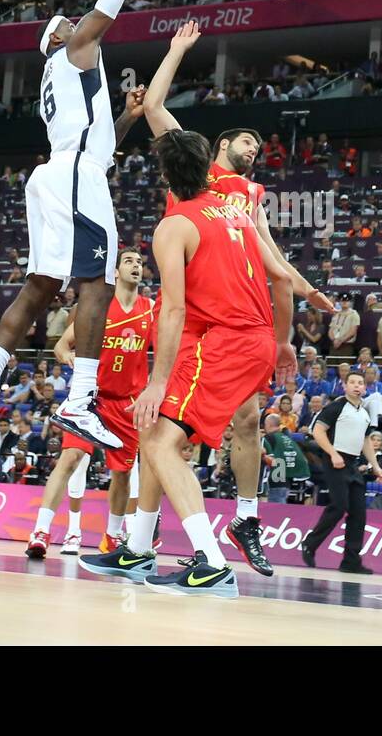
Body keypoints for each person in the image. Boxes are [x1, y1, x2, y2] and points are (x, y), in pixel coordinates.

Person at [0, 0, 152, 457]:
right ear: (59, 39)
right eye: (67, 22)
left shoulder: (59, 78)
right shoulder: (75, 48)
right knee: (100, 282)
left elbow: (99, 143)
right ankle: (80, 397)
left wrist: (126, 117)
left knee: (41, 285)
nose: (75, 21)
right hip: (74, 176)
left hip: (57, 174)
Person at [137, 21, 332, 574]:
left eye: (259, 145)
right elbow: (154, 105)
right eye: (247, 140)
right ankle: (143, 540)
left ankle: (242, 518)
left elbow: (272, 258)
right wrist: (177, 49)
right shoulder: (193, 168)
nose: (256, 147)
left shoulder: (245, 197)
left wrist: (300, 298)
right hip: (196, 311)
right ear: (219, 148)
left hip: (229, 320)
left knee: (241, 418)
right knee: (163, 431)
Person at [78, 129, 291, 597]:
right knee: (156, 436)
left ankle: (211, 561)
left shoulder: (176, 225)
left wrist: (156, 382)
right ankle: (137, 549)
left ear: (165, 178)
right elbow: (281, 278)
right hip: (256, 339)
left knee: (156, 441)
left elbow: (172, 309)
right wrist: (285, 340)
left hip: (224, 343)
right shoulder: (237, 213)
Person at [25, 249, 153, 558]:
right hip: (91, 400)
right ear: (117, 271)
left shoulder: (150, 309)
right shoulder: (98, 307)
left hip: (127, 403)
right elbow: (60, 345)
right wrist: (67, 355)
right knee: (69, 460)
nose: (136, 266)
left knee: (122, 474)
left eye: (140, 262)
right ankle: (40, 531)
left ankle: (111, 537)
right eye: (129, 262)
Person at [296, 371, 382, 572]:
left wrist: (377, 467)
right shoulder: (335, 407)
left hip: (352, 463)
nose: (356, 386)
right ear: (344, 386)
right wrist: (333, 453)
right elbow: (318, 432)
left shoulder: (364, 413)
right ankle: (310, 544)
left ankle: (351, 562)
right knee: (338, 506)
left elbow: (365, 442)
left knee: (358, 513)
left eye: (360, 383)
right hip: (335, 460)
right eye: (352, 382)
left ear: (365, 388)